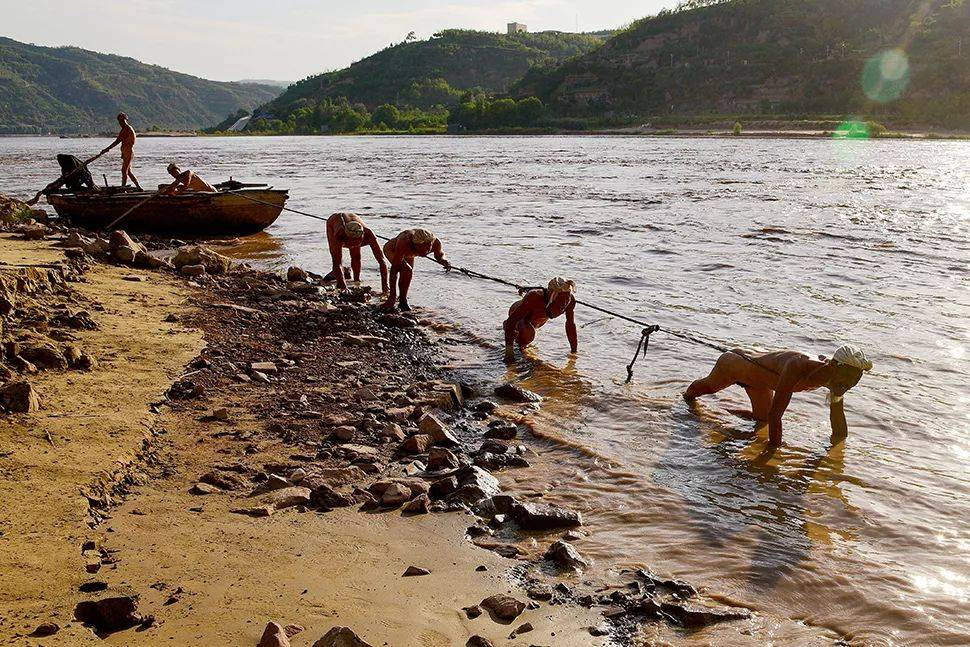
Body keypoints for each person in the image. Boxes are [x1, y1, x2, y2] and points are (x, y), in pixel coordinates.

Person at [684, 345, 872, 446]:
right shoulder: (799, 365)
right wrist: (775, 452)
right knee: (701, 391)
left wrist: (838, 445)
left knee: (762, 420)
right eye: (846, 382)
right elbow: (777, 414)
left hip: (760, 383)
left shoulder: (836, 380)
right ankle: (680, 400)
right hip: (735, 366)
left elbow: (839, 432)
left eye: (853, 384)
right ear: (834, 366)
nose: (847, 387)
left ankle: (721, 411)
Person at [503, 277, 578, 361]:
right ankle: (509, 330)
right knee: (526, 339)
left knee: (529, 333)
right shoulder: (534, 296)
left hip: (536, 321)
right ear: (550, 293)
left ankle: (517, 335)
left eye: (566, 298)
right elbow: (512, 321)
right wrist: (509, 351)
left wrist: (574, 351)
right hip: (519, 314)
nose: (563, 304)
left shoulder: (570, 301)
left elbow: (570, 325)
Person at [381, 228, 449, 311]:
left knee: (407, 273)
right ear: (415, 244)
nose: (425, 252)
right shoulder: (404, 241)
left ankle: (402, 300)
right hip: (393, 250)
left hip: (410, 253)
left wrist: (444, 261)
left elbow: (439, 256)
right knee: (406, 270)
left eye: (428, 249)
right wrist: (392, 297)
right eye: (422, 249)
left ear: (431, 243)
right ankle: (399, 300)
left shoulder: (436, 242)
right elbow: (394, 270)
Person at [325, 213, 388, 293]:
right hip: (333, 221)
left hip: (354, 222)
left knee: (356, 256)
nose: (354, 245)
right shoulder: (339, 236)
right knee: (336, 257)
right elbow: (337, 263)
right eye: (353, 242)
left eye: (358, 241)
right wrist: (344, 288)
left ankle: (356, 281)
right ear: (346, 237)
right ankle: (342, 283)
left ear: (362, 236)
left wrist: (385, 286)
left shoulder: (369, 235)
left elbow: (382, 261)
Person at [100, 112, 142, 190]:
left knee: (124, 171)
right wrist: (122, 153)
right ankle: (139, 187)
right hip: (126, 152)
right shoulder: (124, 129)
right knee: (128, 172)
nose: (121, 123)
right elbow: (122, 142)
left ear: (125, 120)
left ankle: (123, 188)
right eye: (120, 121)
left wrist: (106, 149)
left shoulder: (126, 129)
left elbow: (117, 141)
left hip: (128, 152)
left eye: (122, 121)